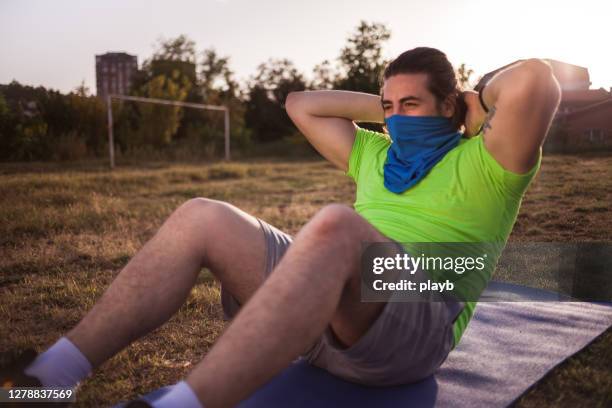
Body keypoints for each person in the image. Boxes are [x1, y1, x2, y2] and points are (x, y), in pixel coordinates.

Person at [0, 47, 561, 408]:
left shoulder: (490, 162)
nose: (394, 117)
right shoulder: (374, 154)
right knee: (203, 214)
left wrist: (473, 97)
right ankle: (48, 379)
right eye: (387, 106)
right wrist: (391, 108)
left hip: (414, 324)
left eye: (411, 105)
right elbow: (301, 105)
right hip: (324, 322)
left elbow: (535, 80)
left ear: (449, 108)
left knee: (338, 227)